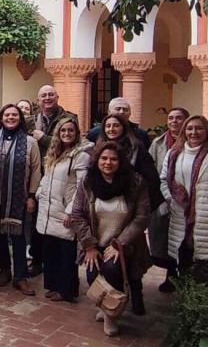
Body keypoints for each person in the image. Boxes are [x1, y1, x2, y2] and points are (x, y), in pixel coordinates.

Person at [71, 142, 151, 337]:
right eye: (104, 158)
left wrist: (120, 243)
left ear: (121, 161)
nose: (108, 162)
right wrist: (89, 245)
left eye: (113, 159)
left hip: (123, 244)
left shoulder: (135, 182)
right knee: (92, 276)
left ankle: (110, 316)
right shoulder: (88, 182)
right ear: (97, 160)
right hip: (95, 242)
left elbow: (142, 217)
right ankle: (106, 305)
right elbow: (77, 214)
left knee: (112, 271)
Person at [35, 117, 92, 303]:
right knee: (50, 250)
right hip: (48, 208)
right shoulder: (54, 153)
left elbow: (82, 187)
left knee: (66, 252)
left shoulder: (81, 155)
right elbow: (46, 177)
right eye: (63, 131)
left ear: (76, 134)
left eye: (71, 131)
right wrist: (40, 193)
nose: (67, 134)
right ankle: (52, 285)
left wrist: (71, 210)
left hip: (65, 211)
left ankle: (67, 290)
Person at [0, 103, 41, 296]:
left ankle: (20, 276)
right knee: (0, 235)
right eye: (7, 115)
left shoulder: (30, 142)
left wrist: (31, 196)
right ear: (1, 118)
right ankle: (4, 269)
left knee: (18, 237)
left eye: (14, 115)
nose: (10, 118)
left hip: (19, 198)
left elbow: (36, 170)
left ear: (20, 118)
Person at [29, 85, 77, 276]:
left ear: (57, 97)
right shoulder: (30, 120)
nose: (47, 98)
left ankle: (62, 269)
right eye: (43, 96)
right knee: (36, 222)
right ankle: (38, 260)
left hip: (61, 176)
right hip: (37, 176)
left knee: (61, 224)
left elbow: (69, 142)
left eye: (51, 94)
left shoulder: (69, 118)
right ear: (38, 100)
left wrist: (44, 139)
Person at [161, 114, 208, 282]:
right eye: (190, 128)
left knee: (203, 264)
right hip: (180, 214)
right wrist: (170, 199)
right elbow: (164, 179)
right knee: (183, 261)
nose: (194, 132)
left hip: (204, 216)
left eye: (199, 128)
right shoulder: (175, 153)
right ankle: (185, 302)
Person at [149, 107, 188, 292]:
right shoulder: (158, 143)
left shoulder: (193, 144)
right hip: (163, 198)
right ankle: (170, 276)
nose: (174, 121)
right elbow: (152, 171)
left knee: (185, 240)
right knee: (166, 239)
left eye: (179, 118)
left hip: (188, 200)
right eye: (171, 118)